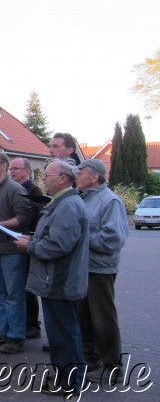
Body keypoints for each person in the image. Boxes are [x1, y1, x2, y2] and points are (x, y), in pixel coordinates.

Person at [15, 160, 88, 397]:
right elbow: (54, 238)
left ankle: (68, 383)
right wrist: (33, 240)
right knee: (65, 331)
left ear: (63, 179)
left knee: (63, 334)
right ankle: (70, 378)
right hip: (58, 279)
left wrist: (30, 246)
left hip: (60, 280)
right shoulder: (63, 202)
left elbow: (58, 245)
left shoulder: (68, 206)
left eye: (47, 175)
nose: (43, 179)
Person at [76, 159, 128, 381]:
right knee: (84, 317)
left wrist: (80, 238)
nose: (76, 176)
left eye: (80, 173)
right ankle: (90, 361)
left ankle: (113, 368)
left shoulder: (110, 201)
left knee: (102, 319)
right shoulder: (82, 199)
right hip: (83, 268)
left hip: (100, 269)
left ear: (94, 177)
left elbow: (113, 239)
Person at [0, 152, 32, 354]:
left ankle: (16, 336)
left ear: (4, 166)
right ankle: (2, 331)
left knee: (14, 294)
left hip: (11, 250)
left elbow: (24, 217)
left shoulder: (15, 189)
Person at [9, 157, 43, 339]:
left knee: (27, 286)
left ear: (27, 171)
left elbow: (33, 216)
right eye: (11, 168)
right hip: (14, 242)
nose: (12, 171)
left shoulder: (34, 191)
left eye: (16, 168)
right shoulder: (12, 189)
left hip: (28, 241)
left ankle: (32, 324)